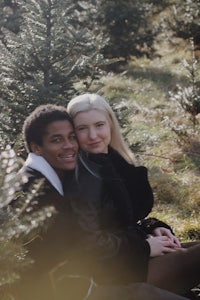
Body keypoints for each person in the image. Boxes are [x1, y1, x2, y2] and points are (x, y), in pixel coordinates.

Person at [11, 104, 191, 300]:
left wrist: (150, 228)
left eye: (72, 137)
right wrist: (144, 246)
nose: (69, 145)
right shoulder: (34, 191)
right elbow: (81, 247)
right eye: (57, 140)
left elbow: (105, 221)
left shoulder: (62, 174)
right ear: (36, 147)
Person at [67, 93, 200, 298]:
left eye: (99, 125)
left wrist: (154, 227)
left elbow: (124, 218)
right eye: (82, 129)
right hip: (117, 274)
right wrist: (144, 247)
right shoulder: (81, 176)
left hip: (137, 256)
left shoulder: (113, 160)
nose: (93, 135)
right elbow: (92, 244)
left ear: (111, 124)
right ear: (72, 134)